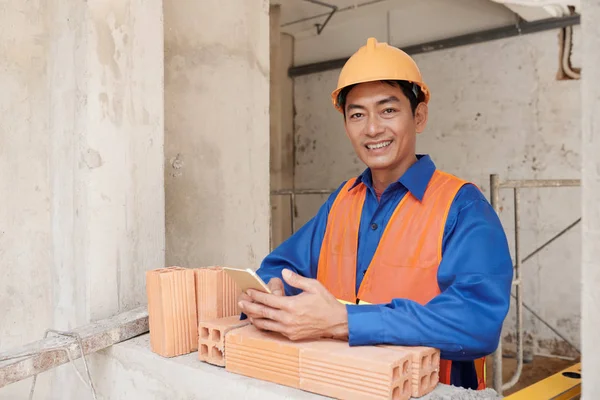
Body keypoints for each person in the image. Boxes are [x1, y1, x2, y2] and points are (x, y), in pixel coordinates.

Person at [238, 37, 513, 390]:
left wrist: (343, 322)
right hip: (344, 383)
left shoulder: (463, 207)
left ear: (419, 116)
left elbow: (477, 321)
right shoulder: (342, 200)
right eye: (357, 114)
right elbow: (279, 268)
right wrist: (271, 296)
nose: (371, 128)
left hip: (429, 391)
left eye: (388, 110)